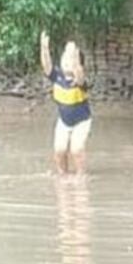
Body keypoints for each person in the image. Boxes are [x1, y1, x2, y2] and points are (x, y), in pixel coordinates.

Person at [40, 31, 91, 174]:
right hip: (63, 121)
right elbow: (47, 66)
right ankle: (63, 176)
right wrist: (44, 49)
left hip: (82, 122)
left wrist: (75, 58)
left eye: (73, 57)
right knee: (59, 150)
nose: (68, 60)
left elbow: (79, 75)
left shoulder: (80, 82)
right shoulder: (57, 77)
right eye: (65, 56)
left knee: (76, 149)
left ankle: (81, 176)